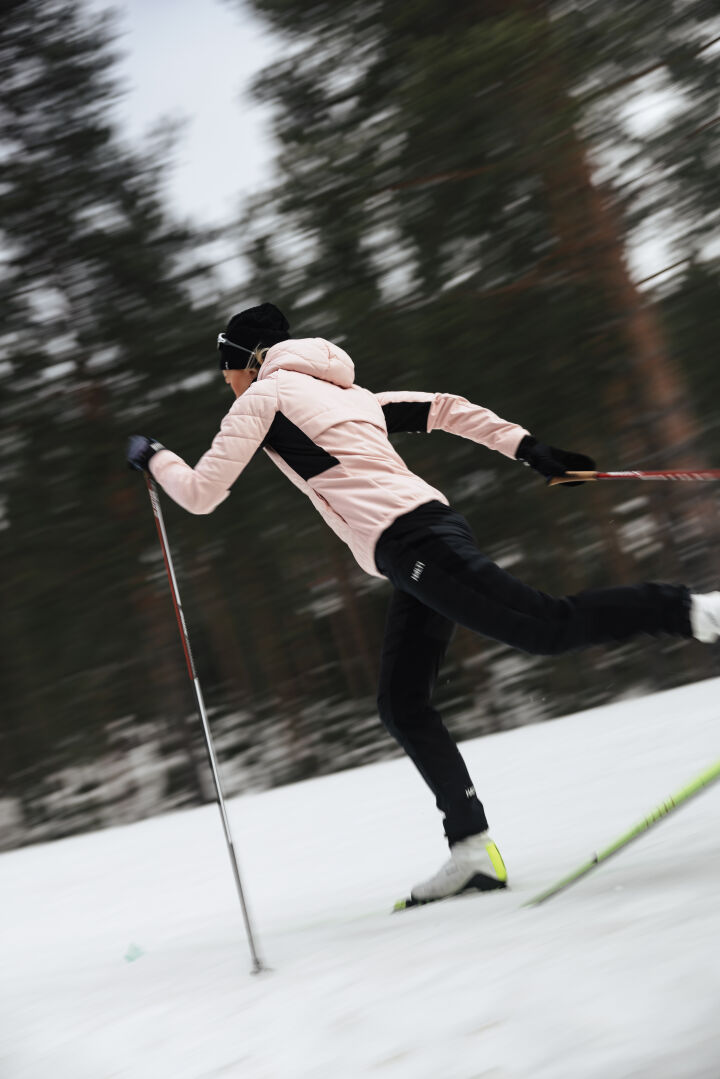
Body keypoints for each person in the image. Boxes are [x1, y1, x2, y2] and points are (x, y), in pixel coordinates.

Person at [127, 302, 720, 906]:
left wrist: (153, 457)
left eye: (225, 368)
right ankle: (470, 853)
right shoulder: (352, 396)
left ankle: (693, 611)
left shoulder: (263, 397)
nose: (225, 382)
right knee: (403, 704)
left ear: (246, 359)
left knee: (546, 628)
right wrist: (529, 448)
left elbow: (201, 494)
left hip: (412, 543)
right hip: (424, 535)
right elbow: (445, 408)